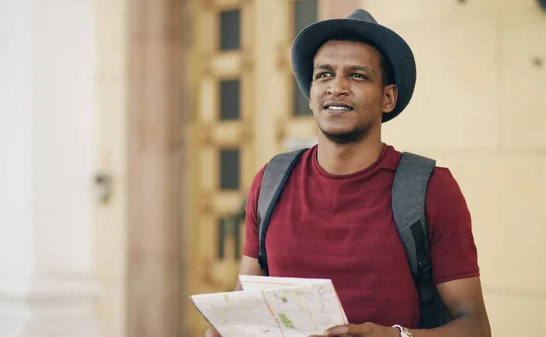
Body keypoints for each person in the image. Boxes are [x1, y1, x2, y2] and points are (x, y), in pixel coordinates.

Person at [206, 8, 491, 337]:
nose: (336, 87)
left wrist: (394, 336)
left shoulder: (430, 189)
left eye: (357, 76)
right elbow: (247, 305)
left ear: (388, 98)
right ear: (311, 94)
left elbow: (475, 328)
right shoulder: (270, 181)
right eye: (324, 75)